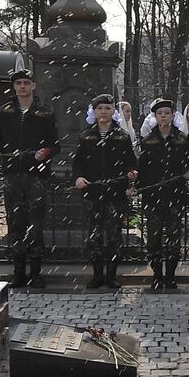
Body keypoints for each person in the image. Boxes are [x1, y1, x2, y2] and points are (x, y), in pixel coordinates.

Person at [0, 69, 60, 288]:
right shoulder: (5, 111)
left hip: (36, 176)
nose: (22, 87)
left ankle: (35, 273)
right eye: (18, 83)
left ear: (33, 86)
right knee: (15, 224)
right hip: (12, 175)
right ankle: (18, 273)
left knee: (35, 226)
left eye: (26, 82)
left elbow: (55, 145)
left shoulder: (45, 113)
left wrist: (44, 153)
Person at [72, 94, 137, 289]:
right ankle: (97, 274)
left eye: (107, 108)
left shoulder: (121, 136)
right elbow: (78, 162)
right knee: (94, 236)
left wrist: (132, 174)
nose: (103, 112)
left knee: (114, 235)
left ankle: (112, 275)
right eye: (100, 108)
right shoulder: (86, 136)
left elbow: (130, 161)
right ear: (94, 111)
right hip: (92, 193)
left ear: (113, 112)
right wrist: (78, 177)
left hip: (115, 193)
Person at [138, 98, 189, 292]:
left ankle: (170, 275)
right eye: (160, 113)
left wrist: (188, 172)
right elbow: (142, 169)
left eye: (167, 113)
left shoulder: (182, 139)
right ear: (155, 116)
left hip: (175, 195)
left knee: (173, 238)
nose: (163, 116)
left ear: (172, 115)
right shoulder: (148, 141)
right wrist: (140, 186)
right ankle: (157, 275)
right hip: (153, 196)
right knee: (153, 238)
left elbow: (188, 162)